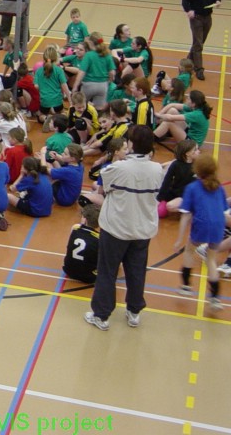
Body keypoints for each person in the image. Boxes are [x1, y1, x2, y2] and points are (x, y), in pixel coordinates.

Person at [85, 125, 163, 331]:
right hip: (143, 229)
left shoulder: (116, 169)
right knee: (136, 271)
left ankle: (101, 315)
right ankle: (134, 311)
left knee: (107, 271)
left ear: (130, 144)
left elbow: (103, 190)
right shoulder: (157, 169)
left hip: (116, 228)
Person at [174, 154, 226, 311]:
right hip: (218, 225)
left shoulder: (192, 188)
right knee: (211, 259)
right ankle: (215, 298)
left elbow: (186, 215)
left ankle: (186, 285)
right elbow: (224, 210)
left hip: (202, 225)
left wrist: (179, 239)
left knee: (189, 250)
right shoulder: (219, 187)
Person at [182, 0, 222, 81]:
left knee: (198, 43)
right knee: (198, 44)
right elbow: (185, 0)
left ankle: (186, 63)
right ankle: (199, 69)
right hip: (197, 18)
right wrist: (189, 10)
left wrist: (218, 1)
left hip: (208, 17)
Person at [63, 203, 100, 284]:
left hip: (68, 270)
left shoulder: (75, 228)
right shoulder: (99, 238)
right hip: (89, 277)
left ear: (85, 219)